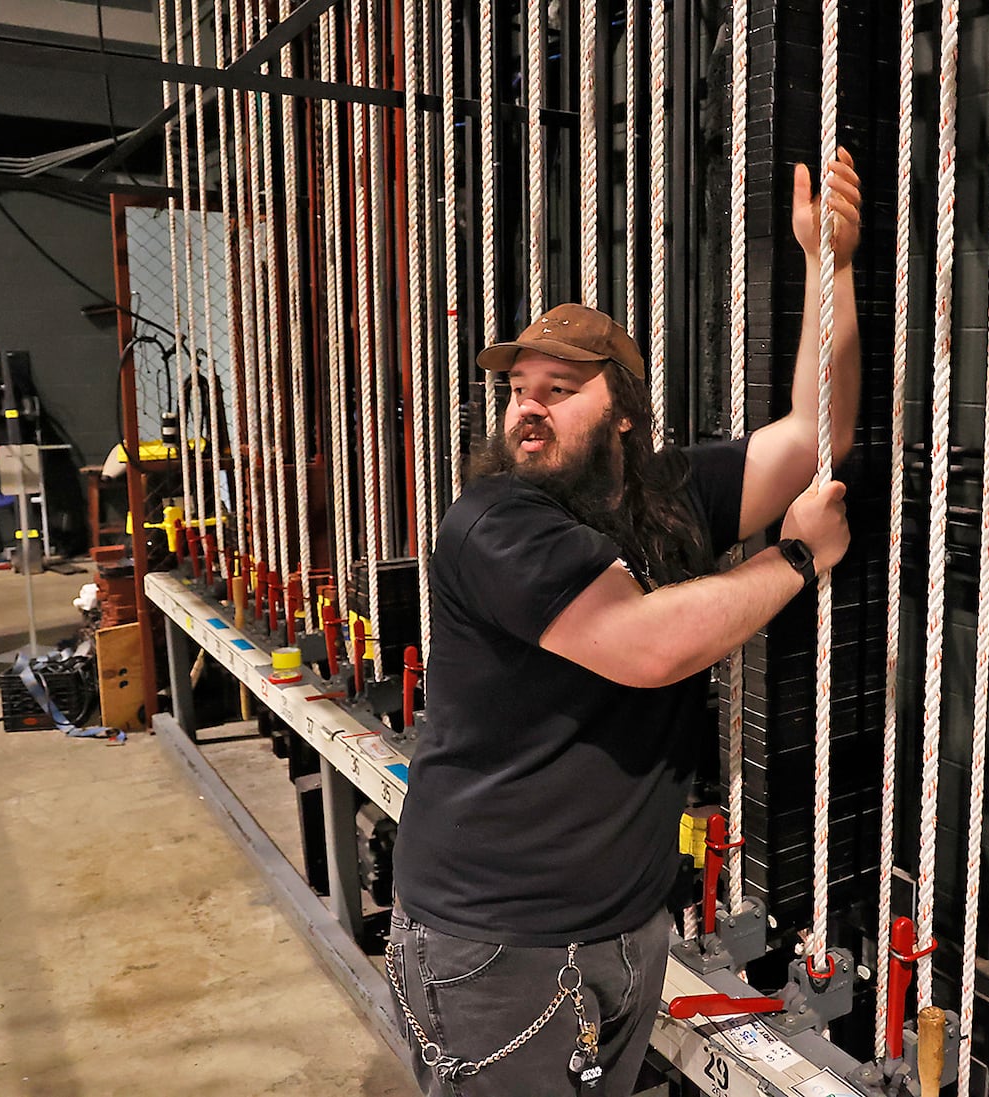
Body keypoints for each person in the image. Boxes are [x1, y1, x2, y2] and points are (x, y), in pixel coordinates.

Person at [387, 148, 862, 1097]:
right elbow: (644, 644)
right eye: (521, 389)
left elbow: (816, 436)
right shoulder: (494, 522)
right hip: (496, 938)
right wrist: (796, 559)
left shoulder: (662, 498)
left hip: (623, 926)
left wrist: (830, 268)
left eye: (560, 390)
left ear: (627, 417)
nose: (529, 406)